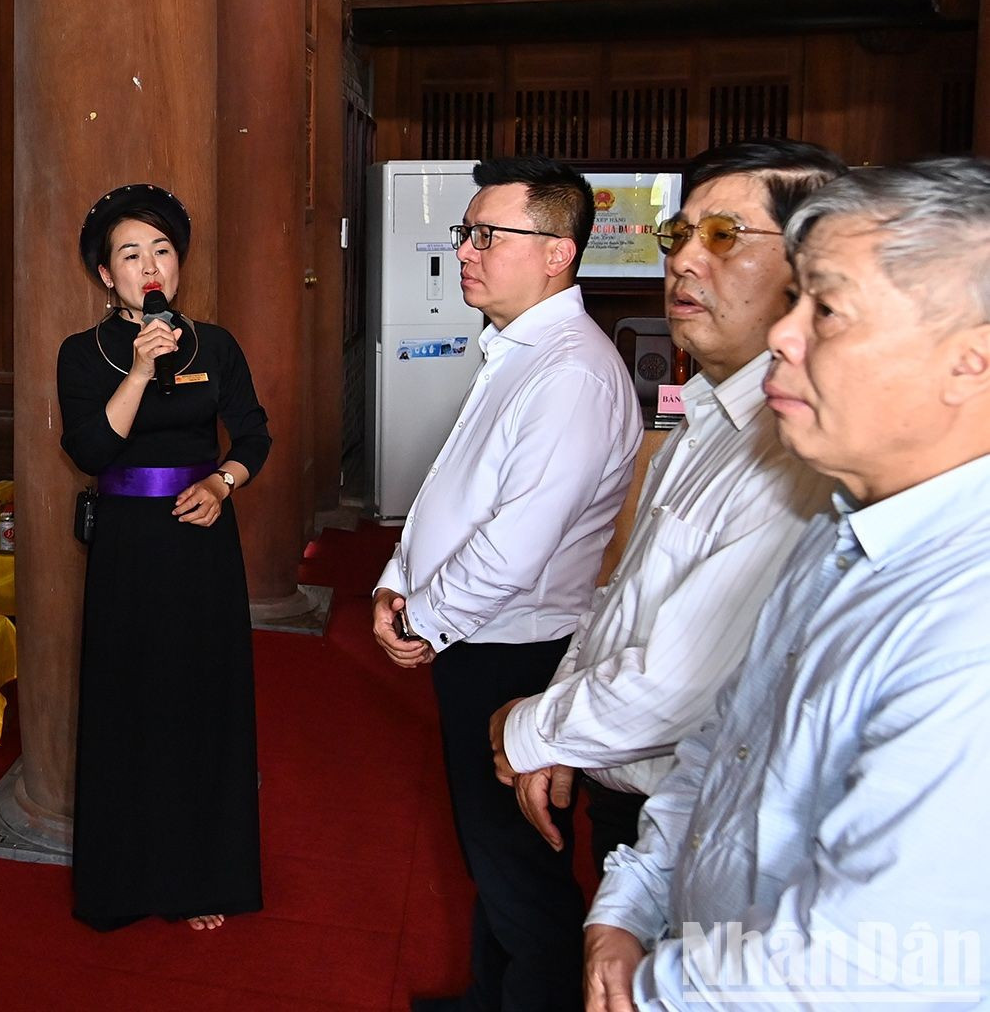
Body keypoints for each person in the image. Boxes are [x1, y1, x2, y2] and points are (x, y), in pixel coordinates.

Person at [585, 158, 990, 1010]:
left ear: (970, 361)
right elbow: (722, 744)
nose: (784, 333)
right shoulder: (839, 525)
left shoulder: (968, 626)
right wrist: (632, 904)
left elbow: (855, 969)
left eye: (828, 310)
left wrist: (650, 990)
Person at [491, 141, 844, 876]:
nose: (684, 260)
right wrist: (560, 720)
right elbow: (621, 596)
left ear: (818, 268)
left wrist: (530, 728)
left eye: (724, 236)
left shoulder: (802, 451)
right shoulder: (704, 414)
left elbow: (684, 683)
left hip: (701, 813)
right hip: (625, 782)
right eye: (678, 235)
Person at [371, 155, 641, 1012]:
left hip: (516, 649)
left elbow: (515, 544)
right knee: (492, 852)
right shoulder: (522, 348)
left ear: (558, 251)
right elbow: (455, 492)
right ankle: (492, 993)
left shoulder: (570, 371)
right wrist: (394, 582)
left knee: (520, 864)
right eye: (467, 233)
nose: (466, 251)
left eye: (489, 234)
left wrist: (424, 619)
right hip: (480, 635)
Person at [57, 183, 269, 933]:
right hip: (125, 547)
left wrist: (223, 481)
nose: (150, 265)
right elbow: (89, 450)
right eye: (131, 254)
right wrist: (142, 370)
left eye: (162, 251)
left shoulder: (216, 344)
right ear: (105, 275)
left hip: (202, 544)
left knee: (200, 702)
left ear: (178, 265)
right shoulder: (84, 355)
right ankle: (124, 880)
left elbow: (252, 438)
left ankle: (200, 875)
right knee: (128, 701)